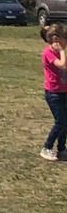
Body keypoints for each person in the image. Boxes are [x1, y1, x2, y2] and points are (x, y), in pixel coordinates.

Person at [40, 24, 67, 160]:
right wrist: (62, 50)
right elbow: (62, 65)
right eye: (64, 39)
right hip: (53, 93)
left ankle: (62, 149)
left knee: (65, 122)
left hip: (63, 91)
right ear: (56, 40)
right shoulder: (48, 53)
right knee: (60, 121)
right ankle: (47, 147)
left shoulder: (59, 52)